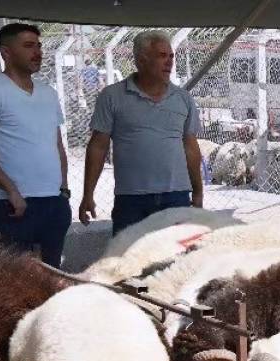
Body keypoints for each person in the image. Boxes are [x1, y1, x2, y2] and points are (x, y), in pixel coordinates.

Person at [0, 23, 71, 267]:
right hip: (14, 206)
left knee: (53, 275)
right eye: (28, 46)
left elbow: (57, 145)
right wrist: (11, 190)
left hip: (54, 203)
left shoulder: (48, 93)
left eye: (39, 46)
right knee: (16, 281)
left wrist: (63, 191)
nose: (38, 52)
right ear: (6, 52)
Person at [80, 30, 204, 236]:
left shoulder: (183, 98)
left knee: (174, 263)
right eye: (162, 56)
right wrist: (88, 194)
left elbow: (190, 146)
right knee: (128, 261)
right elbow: (98, 146)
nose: (169, 62)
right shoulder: (112, 96)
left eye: (171, 56)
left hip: (175, 197)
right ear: (141, 60)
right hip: (131, 199)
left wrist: (198, 191)